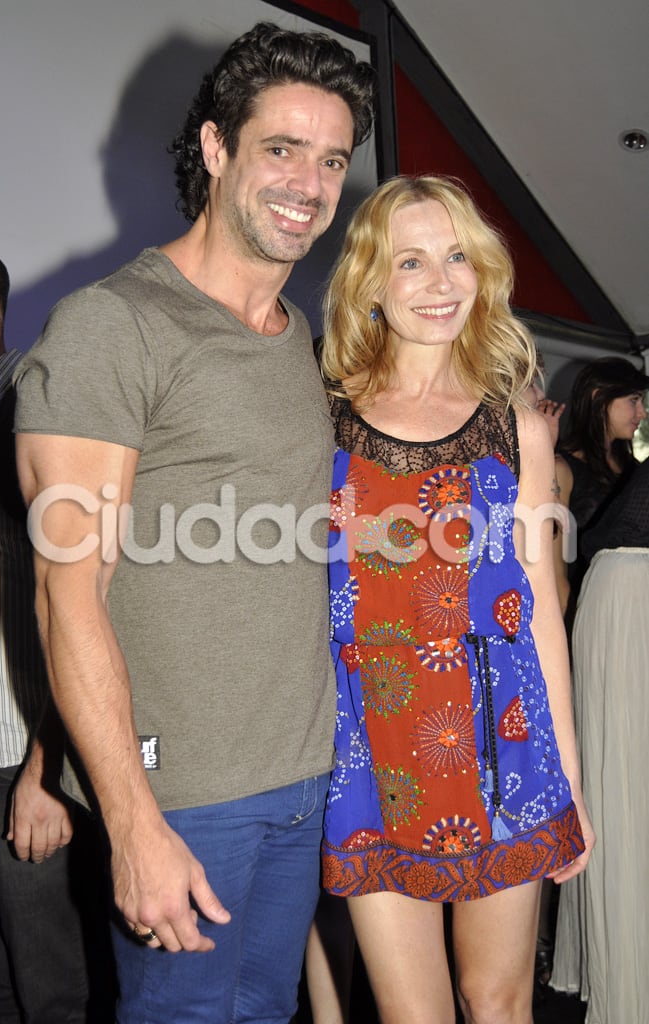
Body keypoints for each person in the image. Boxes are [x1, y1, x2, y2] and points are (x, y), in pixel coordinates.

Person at [14, 22, 376, 1024]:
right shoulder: (114, 325)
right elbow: (65, 590)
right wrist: (130, 822)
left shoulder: (294, 332)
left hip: (301, 770)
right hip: (184, 792)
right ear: (216, 149)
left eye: (333, 157)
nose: (310, 181)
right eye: (281, 148)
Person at [318, 174, 594, 1024]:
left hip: (504, 742)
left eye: (456, 258)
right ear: (370, 283)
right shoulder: (316, 416)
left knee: (498, 1000)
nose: (439, 284)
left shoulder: (520, 426)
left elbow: (541, 602)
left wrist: (570, 782)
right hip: (369, 746)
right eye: (410, 262)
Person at [0, 234, 113, 1021]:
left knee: (57, 995)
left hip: (16, 765)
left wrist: (46, 768)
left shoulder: (35, 403)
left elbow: (93, 597)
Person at [551, 456, 649, 1023]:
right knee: (623, 792)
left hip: (620, 595)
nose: (639, 411)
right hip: (627, 600)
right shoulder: (568, 461)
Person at [553, 356, 648, 626]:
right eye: (633, 400)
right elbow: (555, 572)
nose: (642, 412)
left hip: (632, 611)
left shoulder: (633, 470)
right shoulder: (562, 468)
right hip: (586, 618)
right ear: (599, 398)